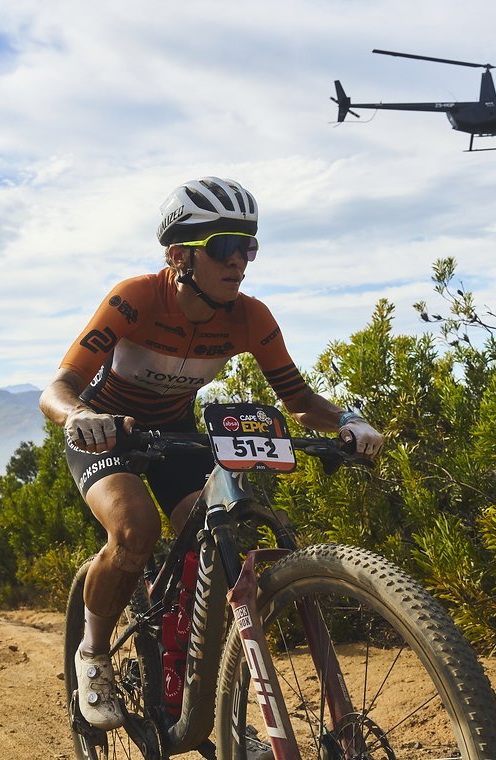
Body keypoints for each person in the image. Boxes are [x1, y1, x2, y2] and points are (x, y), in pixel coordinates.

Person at [39, 176, 385, 735]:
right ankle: (94, 653)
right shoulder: (136, 297)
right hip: (110, 431)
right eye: (225, 246)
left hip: (176, 431)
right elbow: (56, 388)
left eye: (249, 246)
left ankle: (206, 700)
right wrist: (79, 417)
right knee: (134, 530)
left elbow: (298, 401)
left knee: (214, 541)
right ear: (179, 255)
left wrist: (348, 421)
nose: (241, 261)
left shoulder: (249, 316)